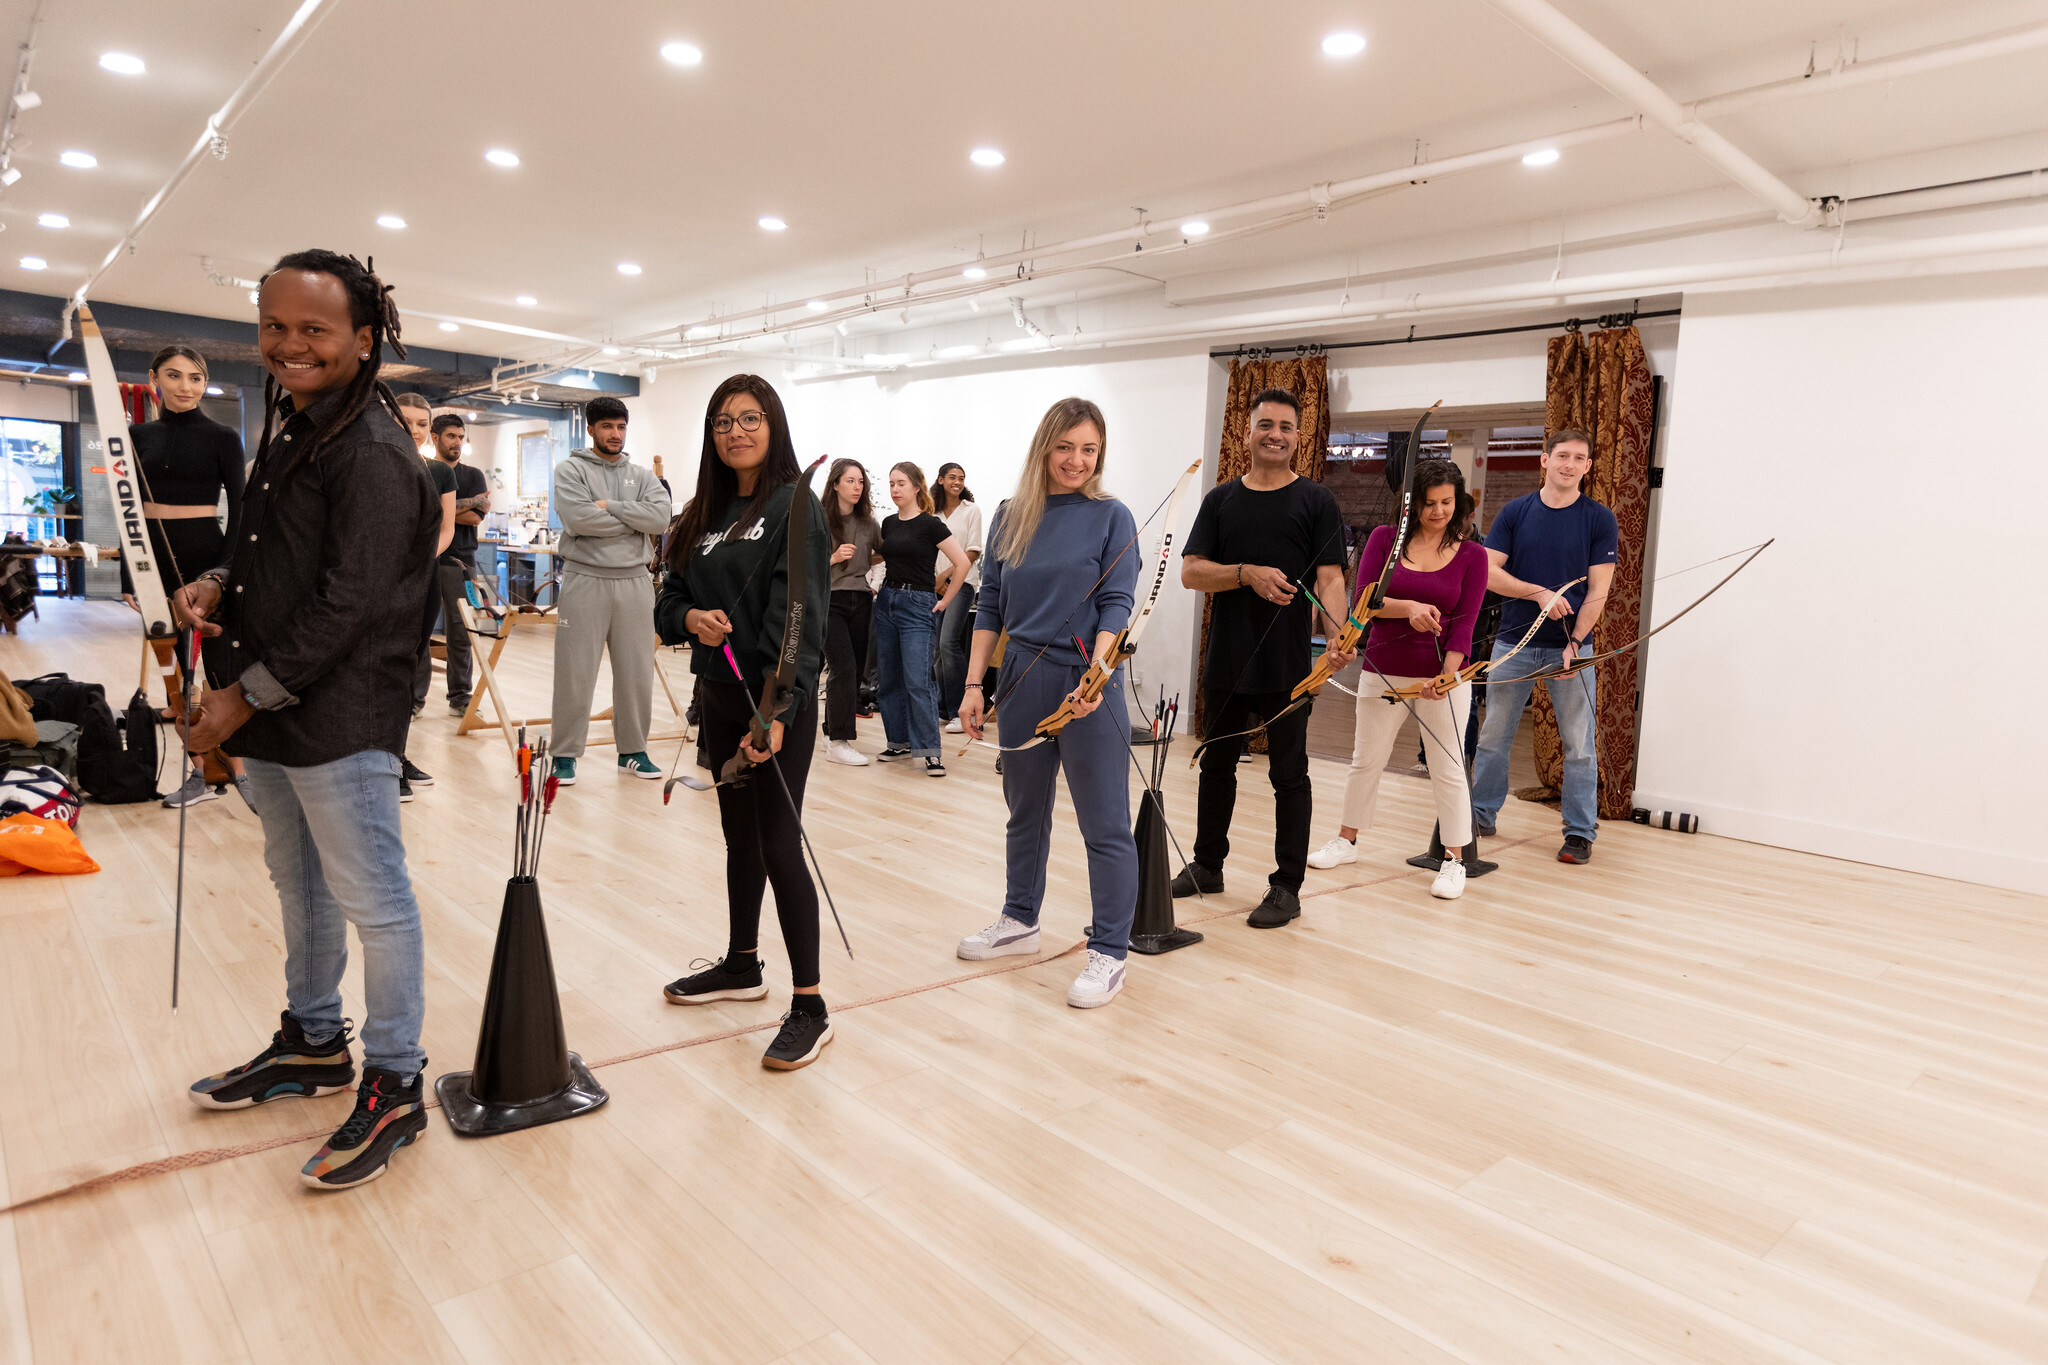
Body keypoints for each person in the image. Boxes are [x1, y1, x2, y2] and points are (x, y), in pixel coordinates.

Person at [171, 249, 441, 1190]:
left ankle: (397, 1081)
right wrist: (216, 582)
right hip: (278, 704)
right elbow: (273, 553)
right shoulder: (291, 421)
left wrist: (239, 697)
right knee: (300, 881)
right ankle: (316, 1040)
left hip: (342, 711)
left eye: (313, 329)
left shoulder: (368, 446)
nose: (289, 345)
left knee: (374, 897)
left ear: (363, 340)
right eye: (274, 326)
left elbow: (351, 600)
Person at [653, 374, 835, 1070]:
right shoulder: (699, 514)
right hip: (722, 699)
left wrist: (779, 706)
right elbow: (667, 602)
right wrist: (690, 619)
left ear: (773, 424)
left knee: (779, 841)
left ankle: (811, 1005)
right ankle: (741, 963)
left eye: (750, 418)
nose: (736, 430)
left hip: (772, 703)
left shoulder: (795, 505)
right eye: (724, 420)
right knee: (739, 837)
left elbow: (800, 615)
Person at [956, 397, 1140, 1009]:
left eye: (1090, 450)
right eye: (1066, 447)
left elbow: (1117, 600)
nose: (1077, 460)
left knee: (1104, 822)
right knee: (1024, 810)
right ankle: (1019, 919)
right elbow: (989, 605)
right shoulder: (1012, 515)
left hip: (1089, 683)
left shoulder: (1113, 516)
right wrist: (975, 683)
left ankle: (1110, 950)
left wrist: (1099, 667)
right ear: (1044, 448)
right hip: (1020, 678)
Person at [1174, 388, 1352, 929]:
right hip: (1227, 659)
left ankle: (1286, 886)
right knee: (1217, 766)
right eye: (1265, 425)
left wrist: (1339, 639)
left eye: (1286, 427)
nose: (1275, 434)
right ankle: (1208, 865)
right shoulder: (1220, 500)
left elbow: (1330, 579)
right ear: (1247, 432)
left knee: (1290, 774)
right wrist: (1244, 572)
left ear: (1298, 437)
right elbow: (1190, 572)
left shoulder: (1316, 501)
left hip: (1289, 664)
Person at [1306, 460, 1489, 899]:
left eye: (1447, 502)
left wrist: (1446, 676)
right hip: (1383, 669)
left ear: (1458, 501)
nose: (1438, 511)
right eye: (1429, 503)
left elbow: (1465, 623)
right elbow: (1365, 601)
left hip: (1443, 676)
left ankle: (1454, 861)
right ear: (1410, 504)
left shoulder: (1472, 555)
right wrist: (1408, 607)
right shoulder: (1385, 541)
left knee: (1448, 767)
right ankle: (1346, 840)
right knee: (1365, 759)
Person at [1469, 428, 1617, 864]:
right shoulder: (1516, 512)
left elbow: (1598, 591)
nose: (1570, 464)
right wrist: (1537, 593)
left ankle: (1578, 832)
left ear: (1587, 466)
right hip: (1514, 644)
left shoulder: (1598, 518)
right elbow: (1487, 573)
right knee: (1494, 737)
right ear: (1545, 460)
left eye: (1579, 458)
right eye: (1562, 456)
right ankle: (1480, 816)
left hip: (1572, 649)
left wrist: (1575, 642)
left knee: (1579, 745)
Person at [121, 344, 255, 810]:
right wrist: (129, 576)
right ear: (154, 377)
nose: (185, 386)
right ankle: (199, 771)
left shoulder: (222, 437)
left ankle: (238, 767)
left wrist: (224, 571)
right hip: (151, 561)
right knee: (172, 673)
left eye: (195, 378)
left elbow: (241, 512)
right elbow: (128, 511)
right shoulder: (135, 435)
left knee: (218, 667)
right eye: (174, 376)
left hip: (206, 558)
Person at [549, 395, 672, 785]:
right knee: (575, 670)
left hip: (635, 580)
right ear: (591, 429)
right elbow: (578, 518)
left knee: (637, 670)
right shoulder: (570, 470)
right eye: (607, 426)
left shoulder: (643, 475)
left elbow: (661, 516)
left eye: (620, 427)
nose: (615, 434)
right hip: (585, 578)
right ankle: (565, 754)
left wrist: (610, 507)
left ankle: (633, 752)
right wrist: (632, 518)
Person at [872, 461, 969, 775]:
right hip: (887, 600)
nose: (895, 489)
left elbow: (962, 563)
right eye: (891, 484)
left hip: (918, 603)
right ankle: (898, 741)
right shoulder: (888, 523)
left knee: (918, 681)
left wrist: (945, 602)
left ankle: (929, 750)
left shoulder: (930, 525)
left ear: (916, 487)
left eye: (901, 483)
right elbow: (883, 557)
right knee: (888, 678)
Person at [393, 392, 455, 802]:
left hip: (423, 576)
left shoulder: (440, 473)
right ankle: (381, 758)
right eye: (406, 421)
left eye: (421, 423)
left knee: (409, 664)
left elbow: (446, 529)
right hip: (377, 578)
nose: (414, 430)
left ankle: (397, 757)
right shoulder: (373, 462)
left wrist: (417, 563)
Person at [426, 413, 488, 715]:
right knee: (417, 632)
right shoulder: (423, 470)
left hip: (461, 561)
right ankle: (412, 701)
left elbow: (476, 517)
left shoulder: (473, 475)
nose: (457, 442)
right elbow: (421, 515)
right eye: (451, 436)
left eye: (461, 437)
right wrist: (466, 503)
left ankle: (460, 697)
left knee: (462, 630)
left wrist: (442, 512)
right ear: (435, 438)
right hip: (423, 560)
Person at [821, 458, 880, 766]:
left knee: (854, 671)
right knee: (842, 667)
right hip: (829, 600)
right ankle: (838, 741)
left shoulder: (869, 523)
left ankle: (831, 728)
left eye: (860, 482)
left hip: (861, 600)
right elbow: (800, 563)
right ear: (835, 484)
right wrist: (832, 558)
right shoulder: (819, 520)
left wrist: (872, 562)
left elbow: (882, 550)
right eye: (850, 481)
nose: (857, 487)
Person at [930, 461, 984, 731]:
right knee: (938, 649)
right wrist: (935, 580)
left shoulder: (971, 510)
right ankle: (943, 707)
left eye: (961, 478)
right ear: (940, 480)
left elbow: (973, 551)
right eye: (952, 477)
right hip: (935, 587)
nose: (958, 482)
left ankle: (960, 711)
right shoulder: (931, 512)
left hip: (962, 585)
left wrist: (946, 576)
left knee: (949, 642)